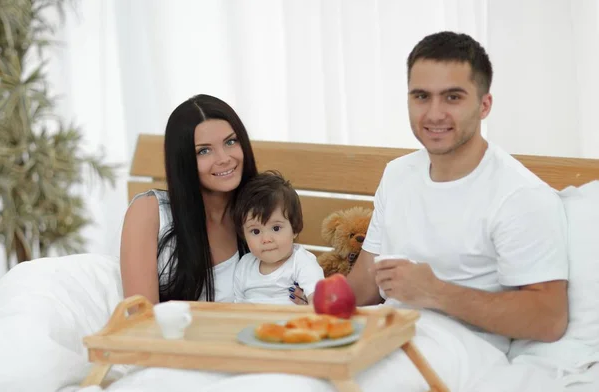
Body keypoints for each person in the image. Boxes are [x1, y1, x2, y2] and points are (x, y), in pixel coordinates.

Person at [347, 31, 569, 354]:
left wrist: (436, 292)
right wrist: (304, 318)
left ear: (484, 105)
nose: (434, 114)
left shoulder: (521, 195)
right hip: (383, 334)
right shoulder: (397, 175)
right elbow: (366, 281)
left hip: (460, 353)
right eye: (421, 96)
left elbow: (549, 318)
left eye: (452, 97)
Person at [119, 94, 258, 303]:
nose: (224, 159)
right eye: (204, 151)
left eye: (230, 141)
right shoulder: (149, 211)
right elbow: (142, 317)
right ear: (183, 161)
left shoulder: (261, 211)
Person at [232, 170, 324, 305]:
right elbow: (236, 307)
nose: (266, 239)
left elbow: (317, 299)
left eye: (276, 228)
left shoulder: (301, 262)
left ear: (295, 228)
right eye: (256, 231)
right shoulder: (245, 265)